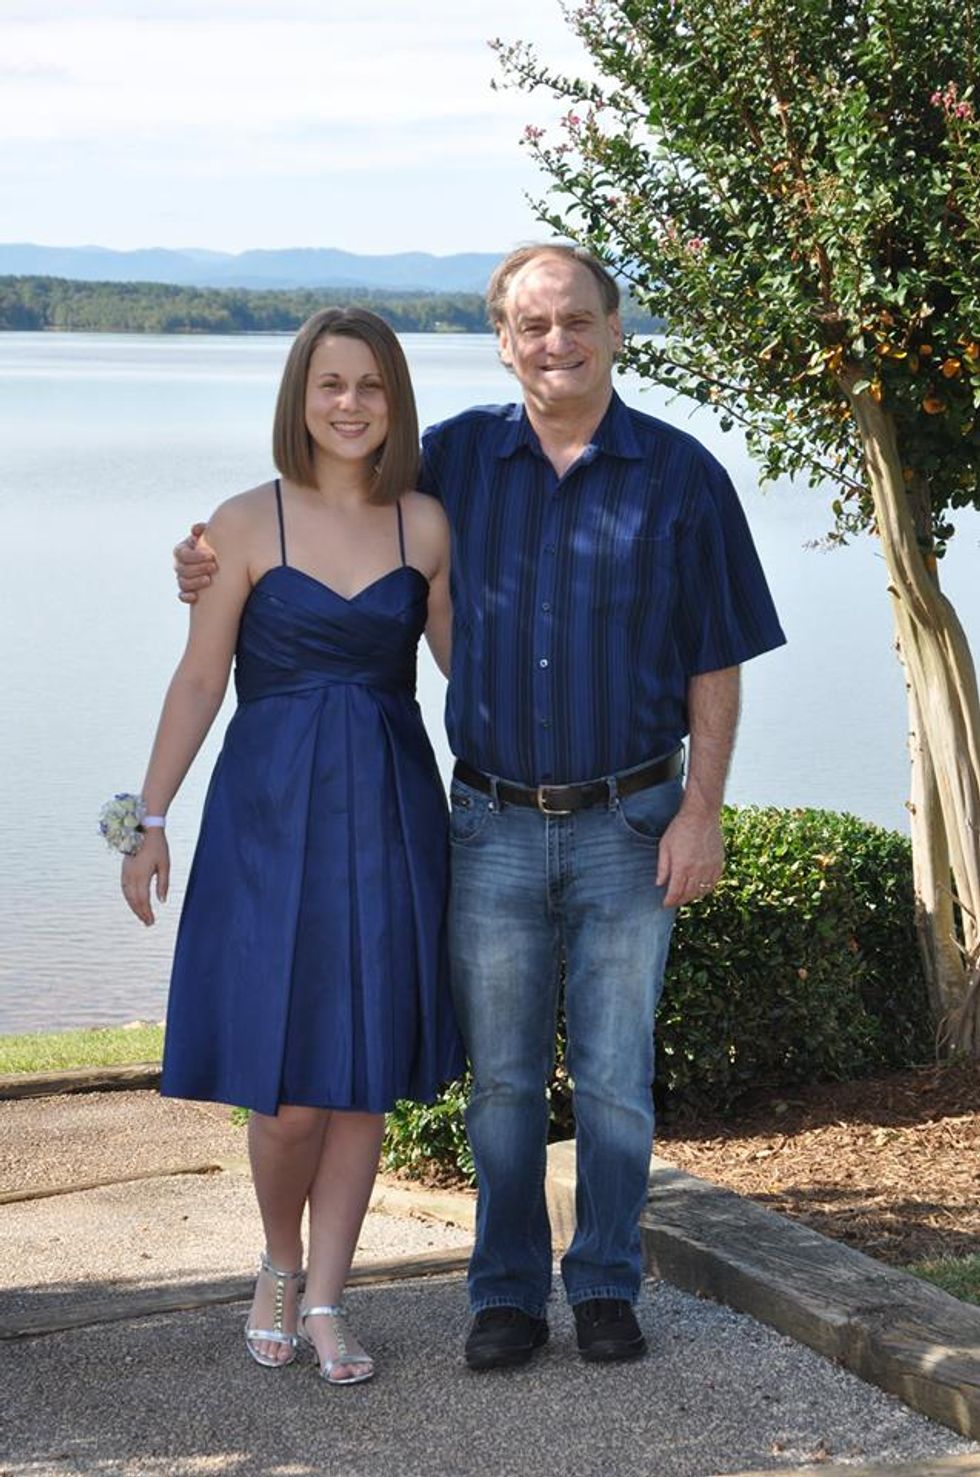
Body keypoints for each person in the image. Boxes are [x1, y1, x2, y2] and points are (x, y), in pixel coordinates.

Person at [175, 245, 786, 1372]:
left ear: (614, 329)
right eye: (531, 325)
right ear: (502, 342)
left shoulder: (683, 476)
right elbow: (335, 495)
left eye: (576, 320)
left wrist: (701, 807)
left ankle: (603, 1282)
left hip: (630, 820)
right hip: (490, 821)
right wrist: (208, 559)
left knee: (614, 1078)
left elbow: (718, 656)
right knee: (500, 1079)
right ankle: (504, 1292)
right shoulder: (453, 461)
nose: (556, 342)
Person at [118, 306, 463, 1386]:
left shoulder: (426, 527)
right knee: (289, 1092)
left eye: (370, 385)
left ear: (395, 399)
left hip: (390, 818)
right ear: (299, 398)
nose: (350, 404)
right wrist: (144, 821)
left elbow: (473, 678)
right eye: (330, 385)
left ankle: (326, 1299)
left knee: (361, 1082)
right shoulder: (242, 522)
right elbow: (196, 679)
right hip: (266, 821)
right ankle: (277, 1260)